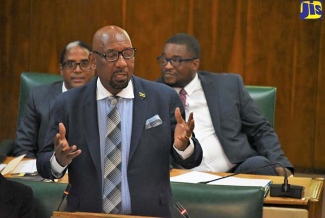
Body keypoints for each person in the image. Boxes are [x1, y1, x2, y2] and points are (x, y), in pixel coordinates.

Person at [36, 26, 202, 217]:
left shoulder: (163, 98)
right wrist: (58, 160)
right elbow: (44, 166)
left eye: (128, 54)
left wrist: (183, 146)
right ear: (93, 61)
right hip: (86, 214)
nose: (122, 63)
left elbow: (193, 159)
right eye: (112, 55)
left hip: (150, 214)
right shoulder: (68, 103)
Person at [156, 33, 293, 176]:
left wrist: (280, 163)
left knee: (261, 165)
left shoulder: (228, 86)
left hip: (234, 170)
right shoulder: (153, 94)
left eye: (176, 60)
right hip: (180, 172)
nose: (167, 66)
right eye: (164, 60)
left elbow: (260, 129)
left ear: (195, 64)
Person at [13, 41, 95, 158]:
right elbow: (24, 147)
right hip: (47, 171)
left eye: (84, 63)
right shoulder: (38, 97)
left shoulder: (104, 98)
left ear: (94, 67)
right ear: (61, 69)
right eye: (70, 64)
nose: (77, 70)